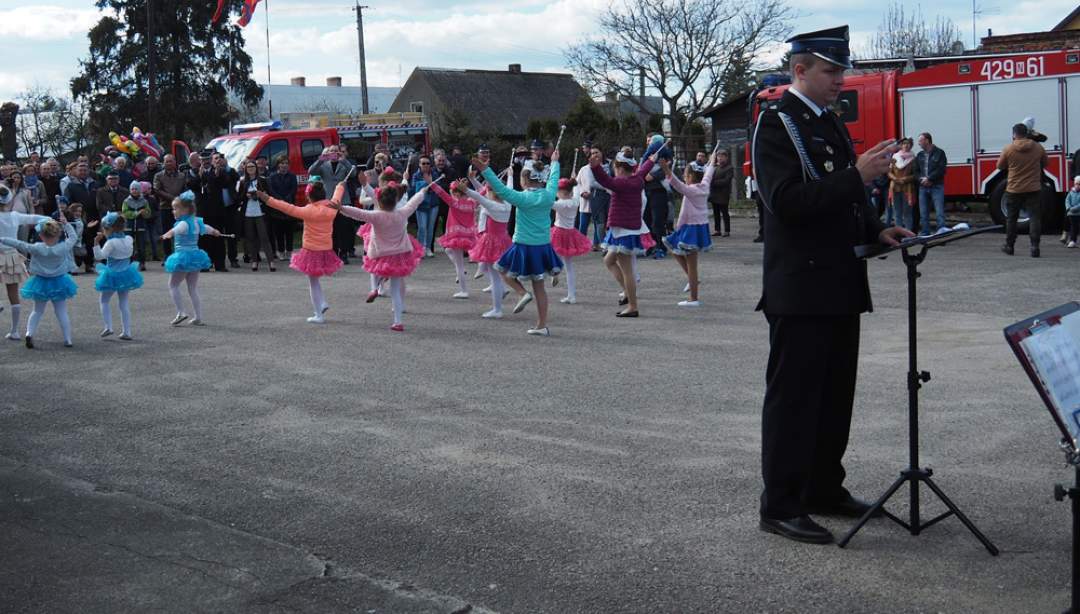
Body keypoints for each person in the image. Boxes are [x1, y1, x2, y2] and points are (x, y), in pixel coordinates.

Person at [751, 25, 913, 545]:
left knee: (834, 397)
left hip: (841, 281)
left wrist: (876, 229)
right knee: (795, 400)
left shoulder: (827, 122)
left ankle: (823, 488)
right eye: (831, 70)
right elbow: (787, 201)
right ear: (800, 70)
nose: (841, 80)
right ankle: (779, 503)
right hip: (801, 286)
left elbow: (846, 199)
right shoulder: (778, 124)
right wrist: (858, 174)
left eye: (842, 70)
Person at [473, 149, 562, 337]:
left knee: (500, 269)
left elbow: (500, 189)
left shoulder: (522, 198)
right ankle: (542, 325)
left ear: (524, 179)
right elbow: (554, 179)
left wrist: (486, 171)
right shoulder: (548, 195)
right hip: (543, 246)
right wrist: (555, 162)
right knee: (540, 286)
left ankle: (522, 293)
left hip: (523, 244)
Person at [337, 182, 427, 331]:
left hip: (381, 254)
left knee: (375, 271)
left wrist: (341, 208)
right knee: (395, 289)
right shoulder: (402, 213)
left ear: (379, 201)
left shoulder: (376, 215)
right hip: (399, 255)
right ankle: (398, 322)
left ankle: (375, 288)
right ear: (396, 200)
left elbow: (358, 213)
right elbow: (414, 202)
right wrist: (422, 191)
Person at [254, 178, 345, 323]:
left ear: (309, 196)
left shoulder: (307, 211)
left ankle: (318, 314)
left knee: (313, 282)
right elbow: (337, 196)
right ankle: (322, 304)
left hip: (311, 250)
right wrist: (340, 186)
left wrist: (266, 199)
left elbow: (285, 207)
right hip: (326, 249)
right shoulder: (332, 208)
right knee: (315, 280)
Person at [590, 142, 664, 318]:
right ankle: (628, 294)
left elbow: (604, 180)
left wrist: (595, 167)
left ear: (619, 168)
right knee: (608, 260)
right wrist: (651, 160)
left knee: (627, 270)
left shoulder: (621, 183)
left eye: (615, 167)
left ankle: (633, 305)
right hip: (624, 229)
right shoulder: (636, 179)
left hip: (624, 230)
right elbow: (643, 170)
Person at [0, 215, 79, 348]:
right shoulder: (63, 247)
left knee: (37, 311)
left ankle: (29, 334)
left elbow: (19, 244)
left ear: (41, 235)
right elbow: (73, 238)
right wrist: (66, 224)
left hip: (41, 282)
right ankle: (68, 339)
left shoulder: (36, 247)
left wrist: (2, 239)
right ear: (58, 234)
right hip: (59, 282)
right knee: (61, 311)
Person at [660, 151, 717, 307]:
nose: (684, 177)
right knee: (672, 247)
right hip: (694, 226)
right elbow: (709, 174)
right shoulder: (704, 186)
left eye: (686, 175)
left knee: (692, 265)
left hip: (692, 228)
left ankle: (694, 298)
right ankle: (693, 280)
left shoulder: (691, 190)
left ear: (691, 177)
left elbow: (675, 183)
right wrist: (712, 162)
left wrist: (666, 169)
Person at [0, 184, 51, 341]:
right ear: (9, 201)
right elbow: (36, 218)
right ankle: (14, 331)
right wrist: (50, 219)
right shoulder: (15, 216)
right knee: (13, 294)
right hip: (11, 256)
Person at [161, 192, 221, 326]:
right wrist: (215, 232)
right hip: (195, 257)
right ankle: (198, 317)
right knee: (192, 288)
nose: (173, 211)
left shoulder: (182, 224)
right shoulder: (196, 222)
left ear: (185, 210)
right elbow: (208, 229)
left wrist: (167, 234)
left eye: (175, 209)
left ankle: (181, 312)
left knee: (173, 285)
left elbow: (175, 231)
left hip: (183, 257)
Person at [466, 172, 513, 319]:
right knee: (497, 275)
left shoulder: (492, 205)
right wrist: (510, 176)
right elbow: (508, 189)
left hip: (491, 242)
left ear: (491, 192)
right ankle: (498, 304)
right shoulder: (508, 203)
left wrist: (466, 189)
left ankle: (497, 309)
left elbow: (478, 196)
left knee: (495, 278)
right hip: (504, 240)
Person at [998, 122, 1048, 258]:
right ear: (1026, 133)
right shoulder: (1038, 148)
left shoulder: (1008, 149)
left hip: (1014, 189)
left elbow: (1000, 166)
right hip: (1033, 188)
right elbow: (1045, 163)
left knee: (1012, 219)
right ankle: (1034, 247)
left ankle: (1009, 246)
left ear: (1014, 134)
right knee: (1035, 218)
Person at [93, 211, 143, 339]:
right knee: (124, 303)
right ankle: (127, 332)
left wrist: (96, 243)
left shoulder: (111, 243)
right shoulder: (128, 239)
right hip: (126, 273)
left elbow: (99, 256)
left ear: (108, 229)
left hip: (111, 275)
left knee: (104, 300)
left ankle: (108, 327)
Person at [429, 178, 478, 299]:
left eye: (452, 192)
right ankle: (463, 285)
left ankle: (464, 290)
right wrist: (477, 182)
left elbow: (441, 193)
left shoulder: (453, 203)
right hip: (468, 235)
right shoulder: (472, 203)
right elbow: (480, 192)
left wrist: (431, 182)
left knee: (459, 265)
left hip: (456, 235)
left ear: (456, 193)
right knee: (448, 251)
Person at [307, 145, 355, 263]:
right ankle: (333, 253)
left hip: (342, 200)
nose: (333, 153)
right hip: (328, 201)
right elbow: (311, 171)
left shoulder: (343, 164)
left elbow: (353, 173)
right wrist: (320, 160)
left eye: (335, 151)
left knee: (343, 229)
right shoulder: (323, 165)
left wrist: (343, 159)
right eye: (331, 151)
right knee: (331, 229)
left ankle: (343, 254)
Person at [550, 178, 593, 304]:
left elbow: (548, 202)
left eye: (557, 191)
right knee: (569, 266)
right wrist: (574, 182)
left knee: (551, 255)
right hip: (570, 233)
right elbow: (576, 189)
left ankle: (555, 272)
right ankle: (571, 295)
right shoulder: (575, 201)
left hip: (559, 233)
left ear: (562, 192)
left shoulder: (561, 204)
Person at [236, 160, 275, 271]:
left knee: (264, 237)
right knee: (251, 238)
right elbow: (239, 198)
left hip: (260, 212)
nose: (251, 168)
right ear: (245, 169)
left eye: (252, 166)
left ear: (256, 168)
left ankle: (271, 261)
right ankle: (254, 261)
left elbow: (269, 195)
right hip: (248, 213)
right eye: (248, 167)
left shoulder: (262, 180)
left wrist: (260, 195)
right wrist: (247, 195)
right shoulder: (243, 182)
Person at [63, 162, 98, 272]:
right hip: (77, 218)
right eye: (80, 170)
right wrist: (74, 215)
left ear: (88, 171)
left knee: (90, 240)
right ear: (76, 172)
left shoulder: (95, 184)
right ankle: (75, 264)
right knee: (76, 240)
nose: (83, 172)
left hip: (93, 216)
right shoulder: (71, 185)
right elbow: (67, 202)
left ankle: (89, 264)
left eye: (85, 170)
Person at [154, 154, 187, 258]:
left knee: (180, 232)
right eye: (166, 161)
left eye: (170, 161)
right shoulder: (158, 176)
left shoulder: (182, 175)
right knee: (167, 233)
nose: (168, 163)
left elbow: (185, 188)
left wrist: (180, 199)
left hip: (180, 209)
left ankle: (180, 254)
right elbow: (157, 190)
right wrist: (173, 199)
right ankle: (167, 255)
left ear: (175, 162)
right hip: (165, 208)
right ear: (163, 163)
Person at [915, 132, 947, 236]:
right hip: (922, 187)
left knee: (939, 212)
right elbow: (916, 171)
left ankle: (941, 233)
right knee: (923, 213)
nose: (919, 143)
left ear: (927, 141)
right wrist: (921, 180)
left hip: (936, 186)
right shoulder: (919, 155)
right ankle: (925, 233)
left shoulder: (940, 153)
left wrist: (929, 178)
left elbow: (941, 169)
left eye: (920, 141)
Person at [410, 157, 442, 257]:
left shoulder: (435, 174)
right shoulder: (416, 175)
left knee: (430, 227)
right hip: (421, 205)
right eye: (423, 163)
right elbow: (414, 187)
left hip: (433, 204)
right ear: (419, 164)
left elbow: (438, 187)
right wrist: (427, 183)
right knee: (422, 227)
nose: (425, 165)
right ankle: (421, 248)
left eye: (427, 163)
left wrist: (430, 184)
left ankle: (428, 247)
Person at [267, 155, 298, 259]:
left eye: (286, 163)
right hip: (277, 208)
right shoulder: (272, 176)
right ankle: (280, 251)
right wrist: (280, 201)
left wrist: (287, 199)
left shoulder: (292, 176)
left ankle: (289, 251)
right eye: (282, 163)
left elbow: (293, 190)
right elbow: (271, 191)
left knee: (289, 231)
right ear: (278, 165)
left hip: (289, 206)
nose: (284, 165)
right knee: (279, 231)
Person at [121, 181, 153, 271]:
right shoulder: (126, 201)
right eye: (132, 189)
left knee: (141, 246)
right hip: (129, 226)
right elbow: (125, 213)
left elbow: (148, 213)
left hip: (141, 226)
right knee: (129, 245)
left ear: (139, 190)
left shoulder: (144, 201)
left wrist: (144, 213)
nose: (134, 191)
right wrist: (136, 213)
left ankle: (141, 263)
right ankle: (129, 263)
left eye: (136, 189)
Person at [887, 137, 916, 231]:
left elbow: (916, 174)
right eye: (904, 144)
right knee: (897, 212)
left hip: (907, 188)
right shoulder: (895, 156)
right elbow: (889, 172)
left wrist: (905, 179)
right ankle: (899, 232)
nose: (906, 145)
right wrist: (895, 178)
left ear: (911, 146)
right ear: (901, 146)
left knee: (907, 212)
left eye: (908, 144)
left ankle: (908, 233)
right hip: (895, 187)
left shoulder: (913, 158)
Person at [708, 150, 734, 237]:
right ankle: (717, 230)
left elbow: (726, 181)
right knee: (716, 213)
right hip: (714, 193)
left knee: (724, 212)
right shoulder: (715, 167)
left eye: (722, 156)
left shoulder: (729, 168)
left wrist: (713, 182)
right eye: (718, 156)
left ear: (726, 157)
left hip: (723, 194)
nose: (720, 158)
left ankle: (727, 230)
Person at [1064, 176, 1080, 248]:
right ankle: (1072, 241)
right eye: (1077, 184)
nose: (1078, 186)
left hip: (1078, 213)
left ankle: (1073, 240)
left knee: (1076, 227)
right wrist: (1068, 208)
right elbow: (1067, 200)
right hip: (1071, 214)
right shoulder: (1071, 192)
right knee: (1073, 227)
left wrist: (1073, 209)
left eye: (1079, 184)